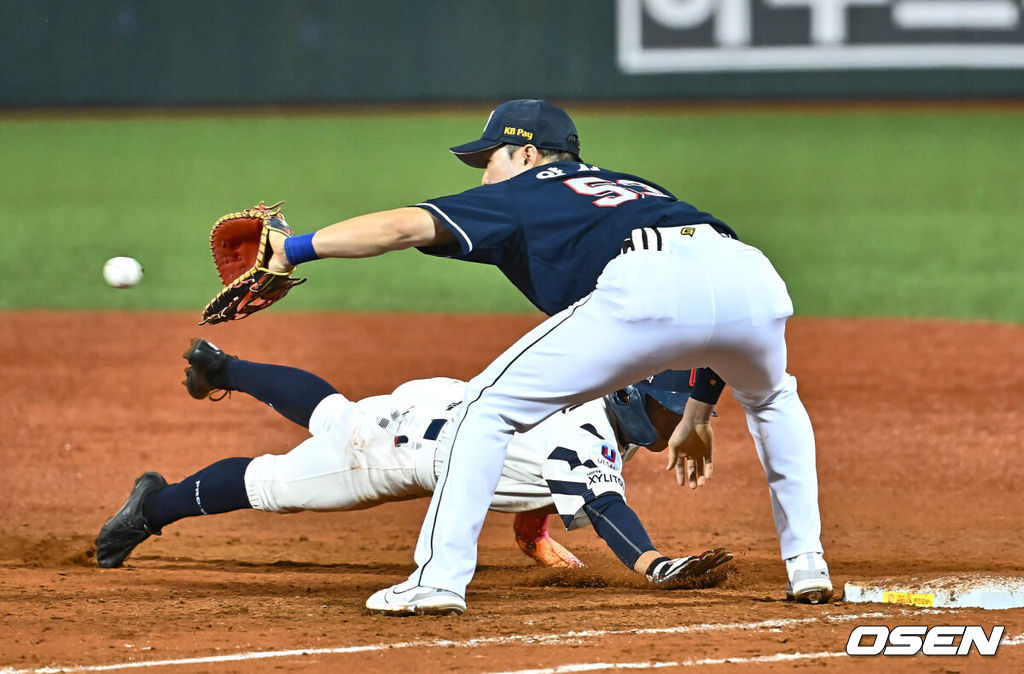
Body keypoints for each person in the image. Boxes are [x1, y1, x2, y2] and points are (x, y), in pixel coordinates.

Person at [264, 99, 832, 614]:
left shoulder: (525, 191)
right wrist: (698, 413)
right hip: (749, 271)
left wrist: (292, 249)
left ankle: (438, 580)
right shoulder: (632, 185)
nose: (484, 174)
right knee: (776, 400)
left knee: (482, 411)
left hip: (650, 280)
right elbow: (711, 305)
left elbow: (399, 227)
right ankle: (807, 565)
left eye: (490, 158)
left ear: (528, 153)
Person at [95, 338, 732, 604]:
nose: (676, 421)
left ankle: (225, 368)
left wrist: (531, 536)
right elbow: (602, 503)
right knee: (274, 484)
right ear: (633, 397)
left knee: (335, 412)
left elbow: (543, 466)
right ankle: (149, 508)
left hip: (437, 402)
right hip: (394, 452)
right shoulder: (592, 438)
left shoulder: (584, 394)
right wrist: (655, 565)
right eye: (664, 406)